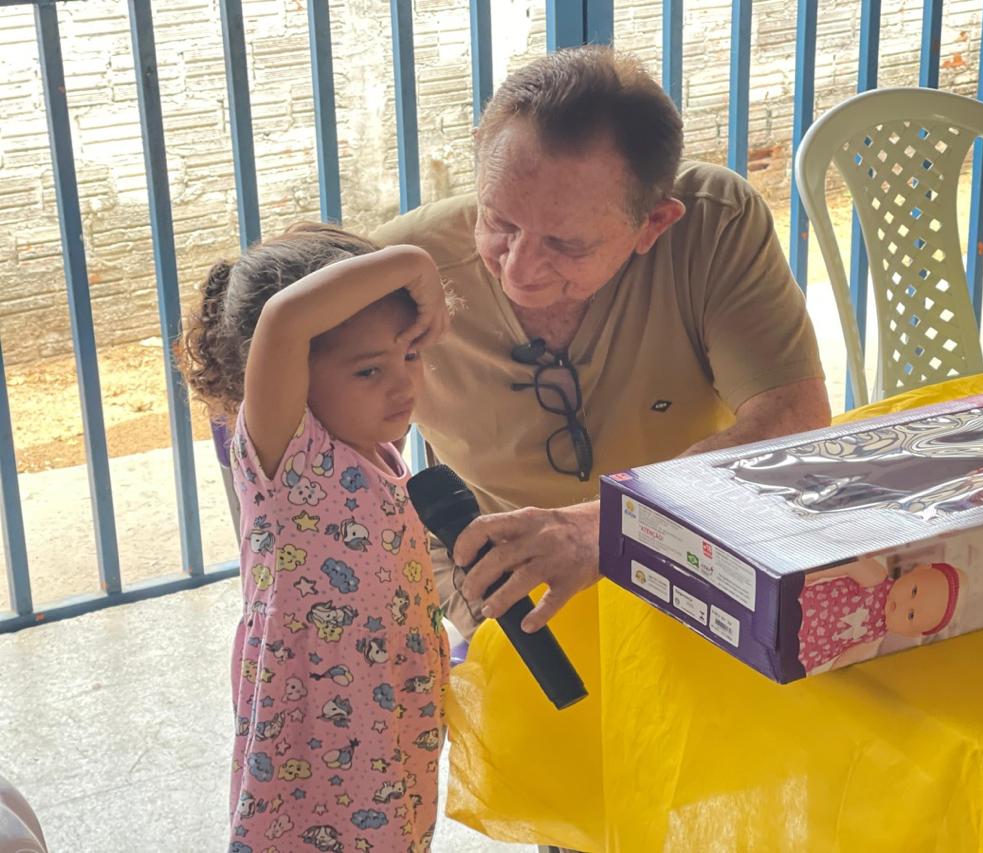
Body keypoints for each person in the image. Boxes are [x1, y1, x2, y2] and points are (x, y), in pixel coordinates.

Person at [372, 46, 830, 638]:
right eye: (499, 222)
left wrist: (610, 528)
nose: (518, 271)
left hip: (693, 552)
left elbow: (794, 419)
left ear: (653, 225)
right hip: (505, 583)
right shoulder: (397, 267)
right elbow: (263, 399)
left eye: (567, 246)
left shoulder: (714, 222)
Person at [182, 224, 453, 851]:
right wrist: (412, 261)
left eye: (409, 355)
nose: (403, 384)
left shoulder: (379, 454)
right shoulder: (287, 458)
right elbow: (286, 318)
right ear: (289, 376)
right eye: (368, 370)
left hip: (387, 716)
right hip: (315, 732)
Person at [797, 559, 966, 673]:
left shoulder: (874, 637)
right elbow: (849, 565)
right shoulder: (876, 579)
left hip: (804, 653)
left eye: (911, 615)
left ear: (911, 634)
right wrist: (808, 577)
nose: (901, 604)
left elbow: (844, 661)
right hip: (801, 607)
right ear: (919, 569)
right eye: (913, 591)